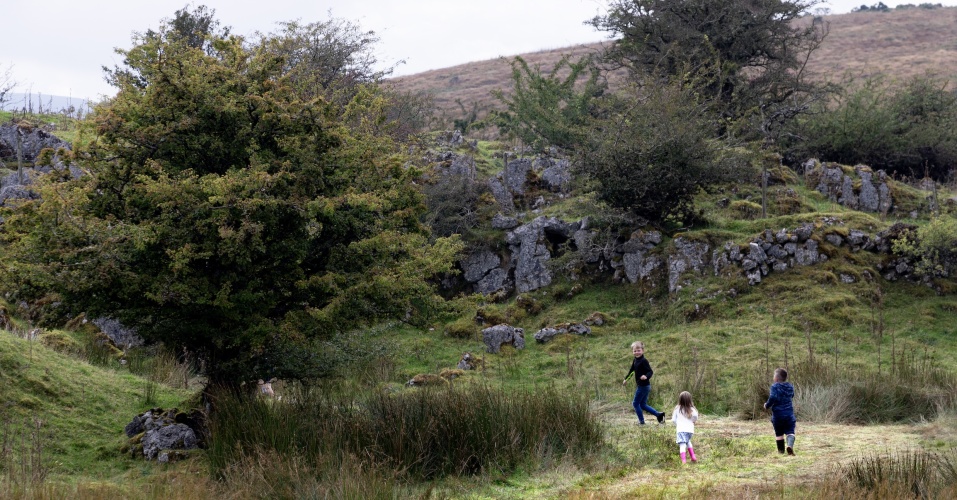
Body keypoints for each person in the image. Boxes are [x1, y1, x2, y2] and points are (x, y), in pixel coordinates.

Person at [621, 341, 665, 425]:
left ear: (642, 350)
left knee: (635, 403)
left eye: (638, 350)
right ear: (632, 352)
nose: (637, 352)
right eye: (635, 351)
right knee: (642, 404)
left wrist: (646, 376)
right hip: (644, 386)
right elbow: (632, 371)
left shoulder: (644, 361)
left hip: (643, 386)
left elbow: (650, 371)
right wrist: (626, 379)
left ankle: (641, 422)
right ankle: (659, 415)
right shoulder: (635, 360)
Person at [764, 367, 796, 455]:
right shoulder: (790, 386)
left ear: (776, 378)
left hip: (778, 414)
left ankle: (781, 452)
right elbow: (792, 395)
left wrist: (767, 405)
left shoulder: (775, 386)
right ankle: (789, 446)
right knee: (790, 432)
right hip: (789, 414)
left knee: (779, 434)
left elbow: (773, 397)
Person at [672, 391, 699, 463]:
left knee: (682, 444)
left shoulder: (677, 408)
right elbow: (696, 417)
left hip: (681, 429)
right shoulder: (692, 409)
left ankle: (683, 461)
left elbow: (673, 420)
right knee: (687, 441)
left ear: (680, 399)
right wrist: (693, 421)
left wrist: (678, 424)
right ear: (690, 399)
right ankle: (693, 456)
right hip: (690, 430)